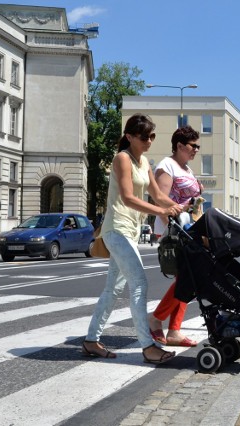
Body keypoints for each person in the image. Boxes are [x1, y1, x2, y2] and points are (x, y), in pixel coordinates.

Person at [82, 114, 184, 364]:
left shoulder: (144, 161)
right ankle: (148, 346)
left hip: (130, 231)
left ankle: (90, 341)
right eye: (144, 137)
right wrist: (161, 211)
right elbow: (128, 198)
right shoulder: (122, 159)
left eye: (152, 136)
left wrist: (181, 207)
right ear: (129, 137)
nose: (149, 141)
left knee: (112, 289)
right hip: (116, 229)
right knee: (139, 283)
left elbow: (157, 195)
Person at [149, 125, 203, 347]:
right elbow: (160, 199)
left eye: (198, 146)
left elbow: (192, 204)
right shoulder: (167, 165)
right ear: (179, 145)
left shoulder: (187, 170)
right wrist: (177, 219)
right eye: (193, 146)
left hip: (189, 228)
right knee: (187, 278)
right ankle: (157, 319)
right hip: (174, 230)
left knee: (188, 278)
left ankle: (173, 329)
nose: (196, 150)